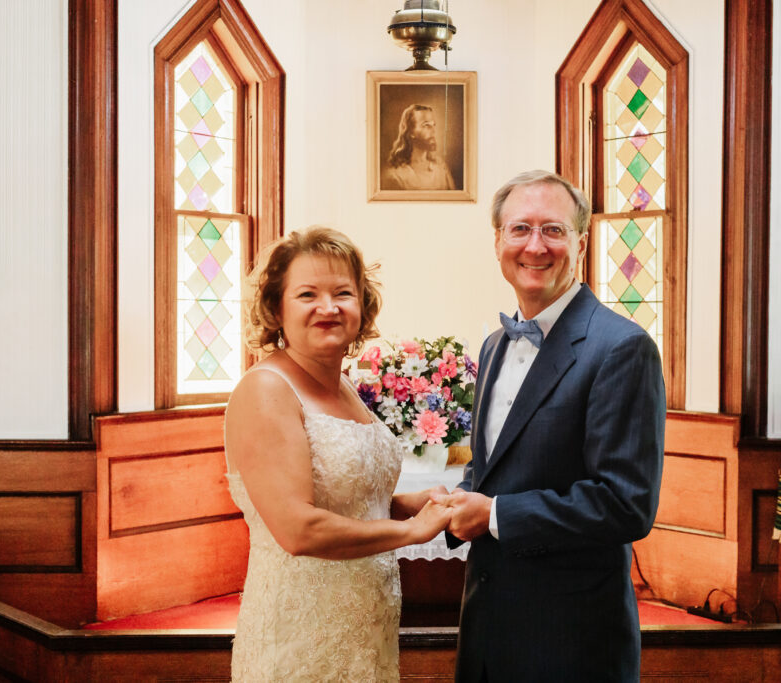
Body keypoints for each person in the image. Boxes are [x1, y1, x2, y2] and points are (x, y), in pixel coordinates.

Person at [432, 170, 666, 681]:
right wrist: (450, 502)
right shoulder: (494, 345)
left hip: (571, 640)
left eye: (553, 230)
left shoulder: (622, 349)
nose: (535, 246)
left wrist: (493, 515)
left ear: (580, 243)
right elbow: (496, 471)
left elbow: (626, 504)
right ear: (497, 241)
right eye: (520, 229)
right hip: (488, 630)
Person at [223, 226, 452, 682]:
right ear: (276, 307)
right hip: (299, 636)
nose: (328, 308)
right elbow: (298, 529)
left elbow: (348, 499)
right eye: (307, 294)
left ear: (361, 305)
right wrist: (410, 533)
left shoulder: (342, 385)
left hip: (365, 633)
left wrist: (409, 504)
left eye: (343, 293)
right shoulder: (267, 389)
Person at [382, 103, 456, 191]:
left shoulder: (441, 169)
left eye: (433, 125)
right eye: (426, 125)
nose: (433, 131)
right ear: (411, 132)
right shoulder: (395, 176)